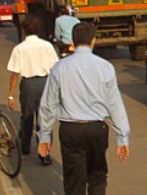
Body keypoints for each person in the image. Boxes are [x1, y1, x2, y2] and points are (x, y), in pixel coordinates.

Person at [39, 22, 130, 194]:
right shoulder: (105, 67)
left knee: (74, 180)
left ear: (72, 42)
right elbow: (114, 104)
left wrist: (45, 134)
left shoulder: (60, 67)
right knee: (97, 174)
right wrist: (122, 137)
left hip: (70, 129)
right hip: (97, 128)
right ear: (93, 41)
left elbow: (48, 104)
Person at [7, 13, 58, 166]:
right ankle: (44, 154)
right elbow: (55, 69)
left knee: (27, 117)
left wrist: (10, 95)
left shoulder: (19, 48)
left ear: (24, 30)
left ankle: (25, 147)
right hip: (45, 84)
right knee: (44, 121)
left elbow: (14, 73)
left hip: (28, 85)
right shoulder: (47, 46)